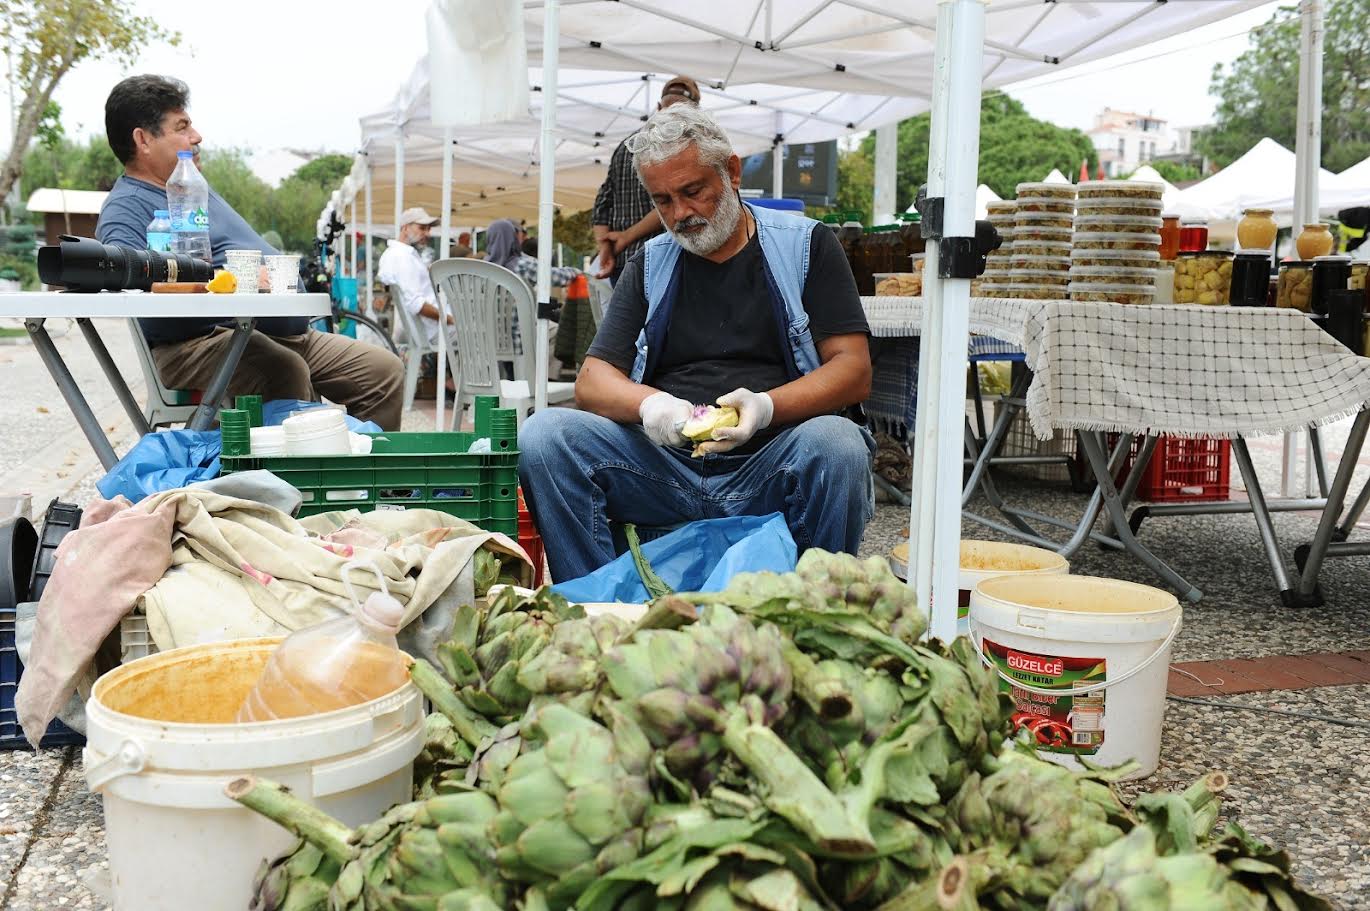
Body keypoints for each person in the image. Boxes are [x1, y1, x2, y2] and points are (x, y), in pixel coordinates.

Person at [518, 105, 875, 582]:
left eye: (692, 192)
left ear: (730, 171)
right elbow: (593, 381)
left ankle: (815, 608)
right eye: (662, 200)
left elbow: (853, 370)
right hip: (666, 469)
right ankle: (597, 608)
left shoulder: (807, 245)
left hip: (771, 463)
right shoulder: (650, 261)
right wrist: (653, 406)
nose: (679, 214)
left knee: (837, 443)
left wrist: (765, 408)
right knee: (545, 437)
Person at [96, 75, 404, 428]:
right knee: (283, 370)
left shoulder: (193, 185)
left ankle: (374, 481)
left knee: (383, 372)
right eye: (182, 127)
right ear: (143, 139)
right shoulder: (125, 208)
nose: (196, 137)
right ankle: (292, 483)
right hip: (198, 345)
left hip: (278, 332)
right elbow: (133, 280)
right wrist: (235, 279)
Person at [591, 76, 700, 284]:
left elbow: (601, 204)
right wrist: (625, 237)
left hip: (621, 262)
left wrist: (606, 245)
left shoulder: (627, 145)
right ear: (694, 111)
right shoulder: (682, 148)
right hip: (662, 259)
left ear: (659, 107)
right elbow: (674, 203)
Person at [377, 207, 455, 396]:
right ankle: (467, 389)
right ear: (405, 228)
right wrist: (449, 318)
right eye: (422, 228)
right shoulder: (402, 258)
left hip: (422, 327)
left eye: (428, 229)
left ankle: (456, 383)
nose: (427, 233)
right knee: (480, 331)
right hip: (431, 328)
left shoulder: (397, 254)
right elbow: (417, 304)